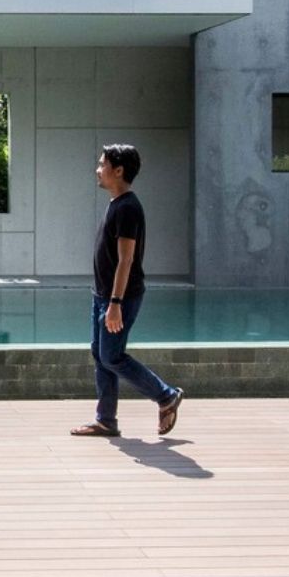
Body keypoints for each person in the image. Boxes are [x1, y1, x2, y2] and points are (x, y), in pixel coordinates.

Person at [71, 143, 183, 439]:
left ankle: (166, 396)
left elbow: (126, 259)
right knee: (101, 355)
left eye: (102, 164)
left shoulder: (128, 208)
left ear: (118, 171)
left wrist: (116, 303)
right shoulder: (117, 203)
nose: (97, 170)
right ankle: (106, 420)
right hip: (103, 295)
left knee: (111, 356)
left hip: (119, 298)